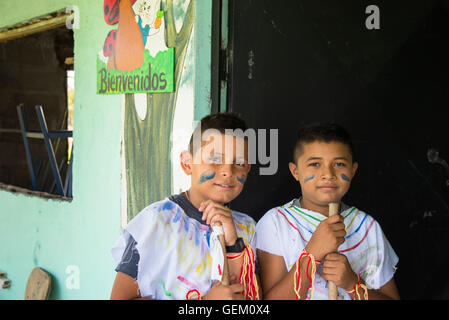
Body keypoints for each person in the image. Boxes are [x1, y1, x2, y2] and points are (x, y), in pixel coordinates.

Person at [110, 112, 259, 300]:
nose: (227, 172)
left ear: (248, 169)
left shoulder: (248, 227)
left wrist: (232, 242)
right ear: (187, 163)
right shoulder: (157, 221)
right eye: (214, 160)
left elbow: (251, 298)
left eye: (239, 163)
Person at [255, 123, 399, 300]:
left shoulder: (367, 227)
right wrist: (312, 253)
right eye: (315, 164)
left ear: (353, 170)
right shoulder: (276, 223)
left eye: (339, 164)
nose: (328, 174)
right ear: (295, 171)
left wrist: (352, 284)